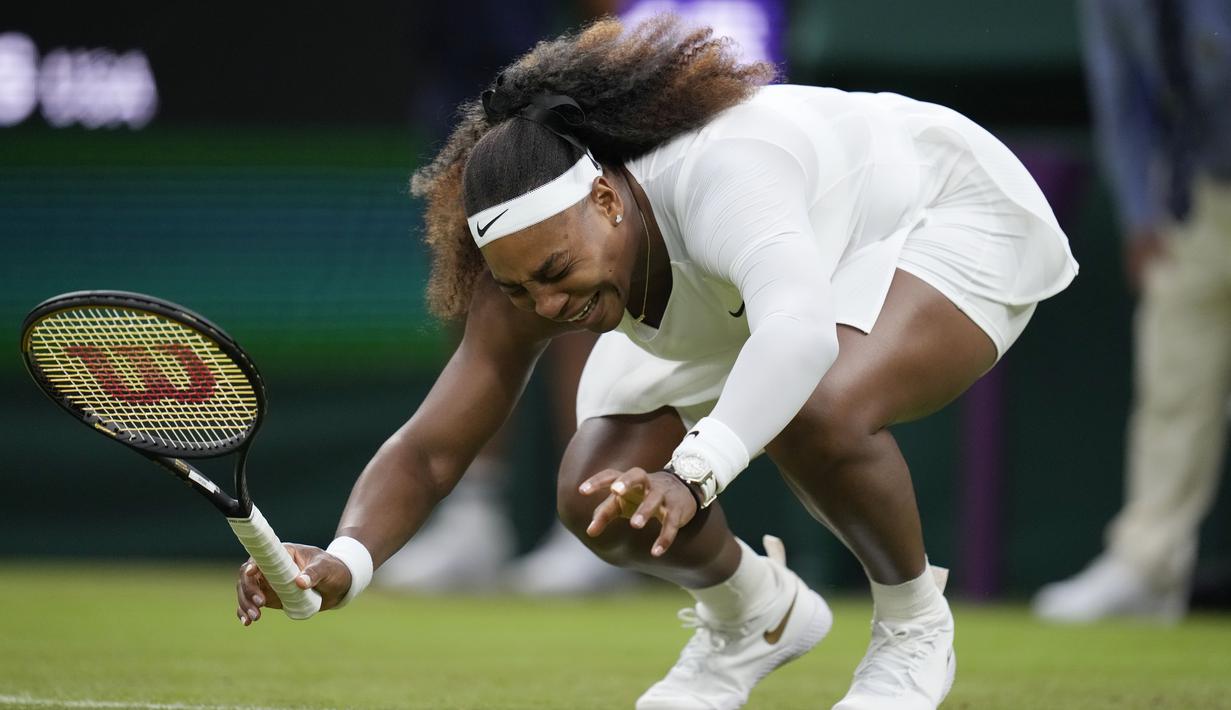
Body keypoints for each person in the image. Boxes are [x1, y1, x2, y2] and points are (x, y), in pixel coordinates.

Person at [235, 16, 1078, 709]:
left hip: (938, 209)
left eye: (556, 273)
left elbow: (796, 337)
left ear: (606, 199)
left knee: (813, 405)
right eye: (522, 289)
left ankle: (913, 629)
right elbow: (430, 448)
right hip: (755, 287)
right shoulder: (526, 268)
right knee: (595, 494)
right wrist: (345, 561)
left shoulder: (724, 176)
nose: (547, 305)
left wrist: (692, 473)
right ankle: (754, 616)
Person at [1033, 0, 1231, 624]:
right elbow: (1124, 96)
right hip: (1197, 198)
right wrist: (1141, 214)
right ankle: (1148, 566)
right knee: (1173, 385)